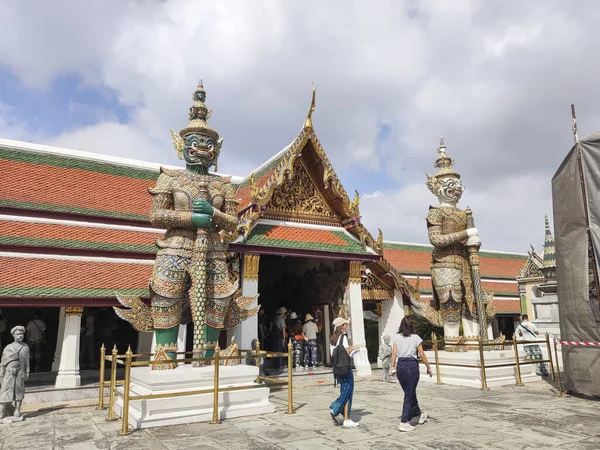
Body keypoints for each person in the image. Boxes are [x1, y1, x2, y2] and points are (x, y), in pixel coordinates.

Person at [390, 317, 433, 432]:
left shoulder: (397, 338)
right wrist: (428, 367)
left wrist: (393, 367)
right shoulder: (415, 338)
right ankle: (404, 421)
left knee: (410, 391)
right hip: (411, 365)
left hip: (401, 366)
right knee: (409, 393)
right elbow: (422, 354)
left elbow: (394, 353)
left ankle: (417, 414)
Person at [329, 317, 359, 428]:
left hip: (337, 368)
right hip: (345, 368)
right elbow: (346, 351)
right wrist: (354, 348)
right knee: (348, 391)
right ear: (342, 326)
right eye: (346, 325)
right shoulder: (343, 337)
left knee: (345, 390)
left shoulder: (332, 339)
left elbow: (332, 354)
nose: (347, 327)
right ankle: (335, 408)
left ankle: (346, 417)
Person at [0, 326, 30, 419]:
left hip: (20, 372)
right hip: (8, 373)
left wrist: (27, 372)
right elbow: (3, 363)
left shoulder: (25, 347)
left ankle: (17, 410)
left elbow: (27, 361)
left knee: (19, 392)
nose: (20, 336)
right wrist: (1, 375)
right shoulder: (8, 347)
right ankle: (2, 411)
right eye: (18, 334)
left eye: (22, 334)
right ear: (13, 335)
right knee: (5, 392)